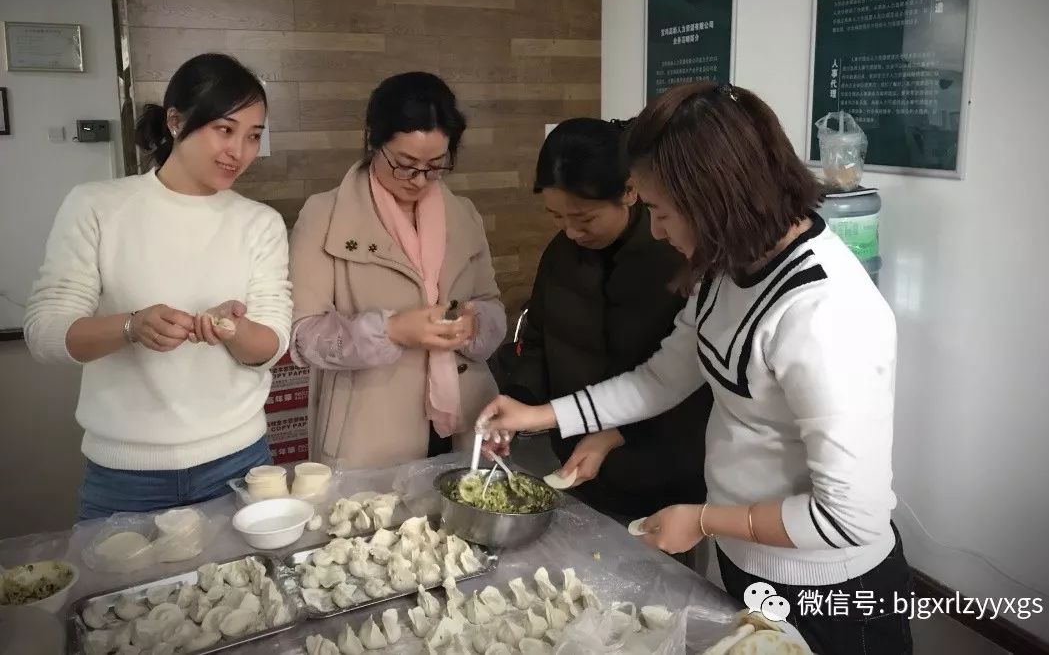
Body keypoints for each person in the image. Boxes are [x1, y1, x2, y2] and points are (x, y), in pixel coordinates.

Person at [478, 82, 913, 655]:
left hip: (830, 588)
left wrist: (706, 520)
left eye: (660, 211)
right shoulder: (725, 271)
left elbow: (849, 518)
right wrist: (538, 415)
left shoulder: (824, 314)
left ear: (715, 198)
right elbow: (661, 378)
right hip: (751, 562)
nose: (655, 230)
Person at [24, 53, 293, 520]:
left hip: (238, 460)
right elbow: (45, 333)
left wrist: (233, 330)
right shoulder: (97, 207)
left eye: (253, 136)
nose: (239, 151)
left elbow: (271, 345)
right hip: (126, 475)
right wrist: (131, 326)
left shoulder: (260, 223)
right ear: (175, 121)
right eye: (224, 130)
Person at [289, 71, 506, 468]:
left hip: (466, 414)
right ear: (374, 141)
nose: (419, 180)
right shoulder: (324, 215)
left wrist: (475, 324)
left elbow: (491, 303)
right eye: (405, 164)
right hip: (370, 428)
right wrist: (390, 331)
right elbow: (304, 337)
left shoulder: (464, 215)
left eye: (435, 166)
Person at [502, 118, 711, 523]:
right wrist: (521, 400)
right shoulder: (561, 254)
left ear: (630, 191)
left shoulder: (675, 258)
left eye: (584, 218)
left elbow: (686, 381)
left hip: (662, 469)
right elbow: (540, 337)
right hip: (577, 460)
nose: (571, 232)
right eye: (557, 217)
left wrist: (617, 434)